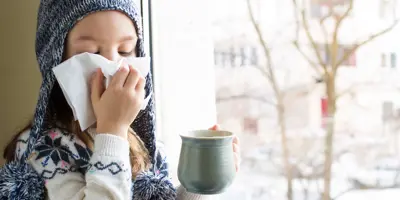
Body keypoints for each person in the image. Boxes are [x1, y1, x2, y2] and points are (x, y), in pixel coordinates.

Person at [0, 0, 240, 200]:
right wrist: (112, 130)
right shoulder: (44, 149)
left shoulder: (140, 140)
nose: (114, 68)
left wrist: (200, 183)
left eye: (125, 51)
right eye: (92, 53)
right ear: (55, 61)